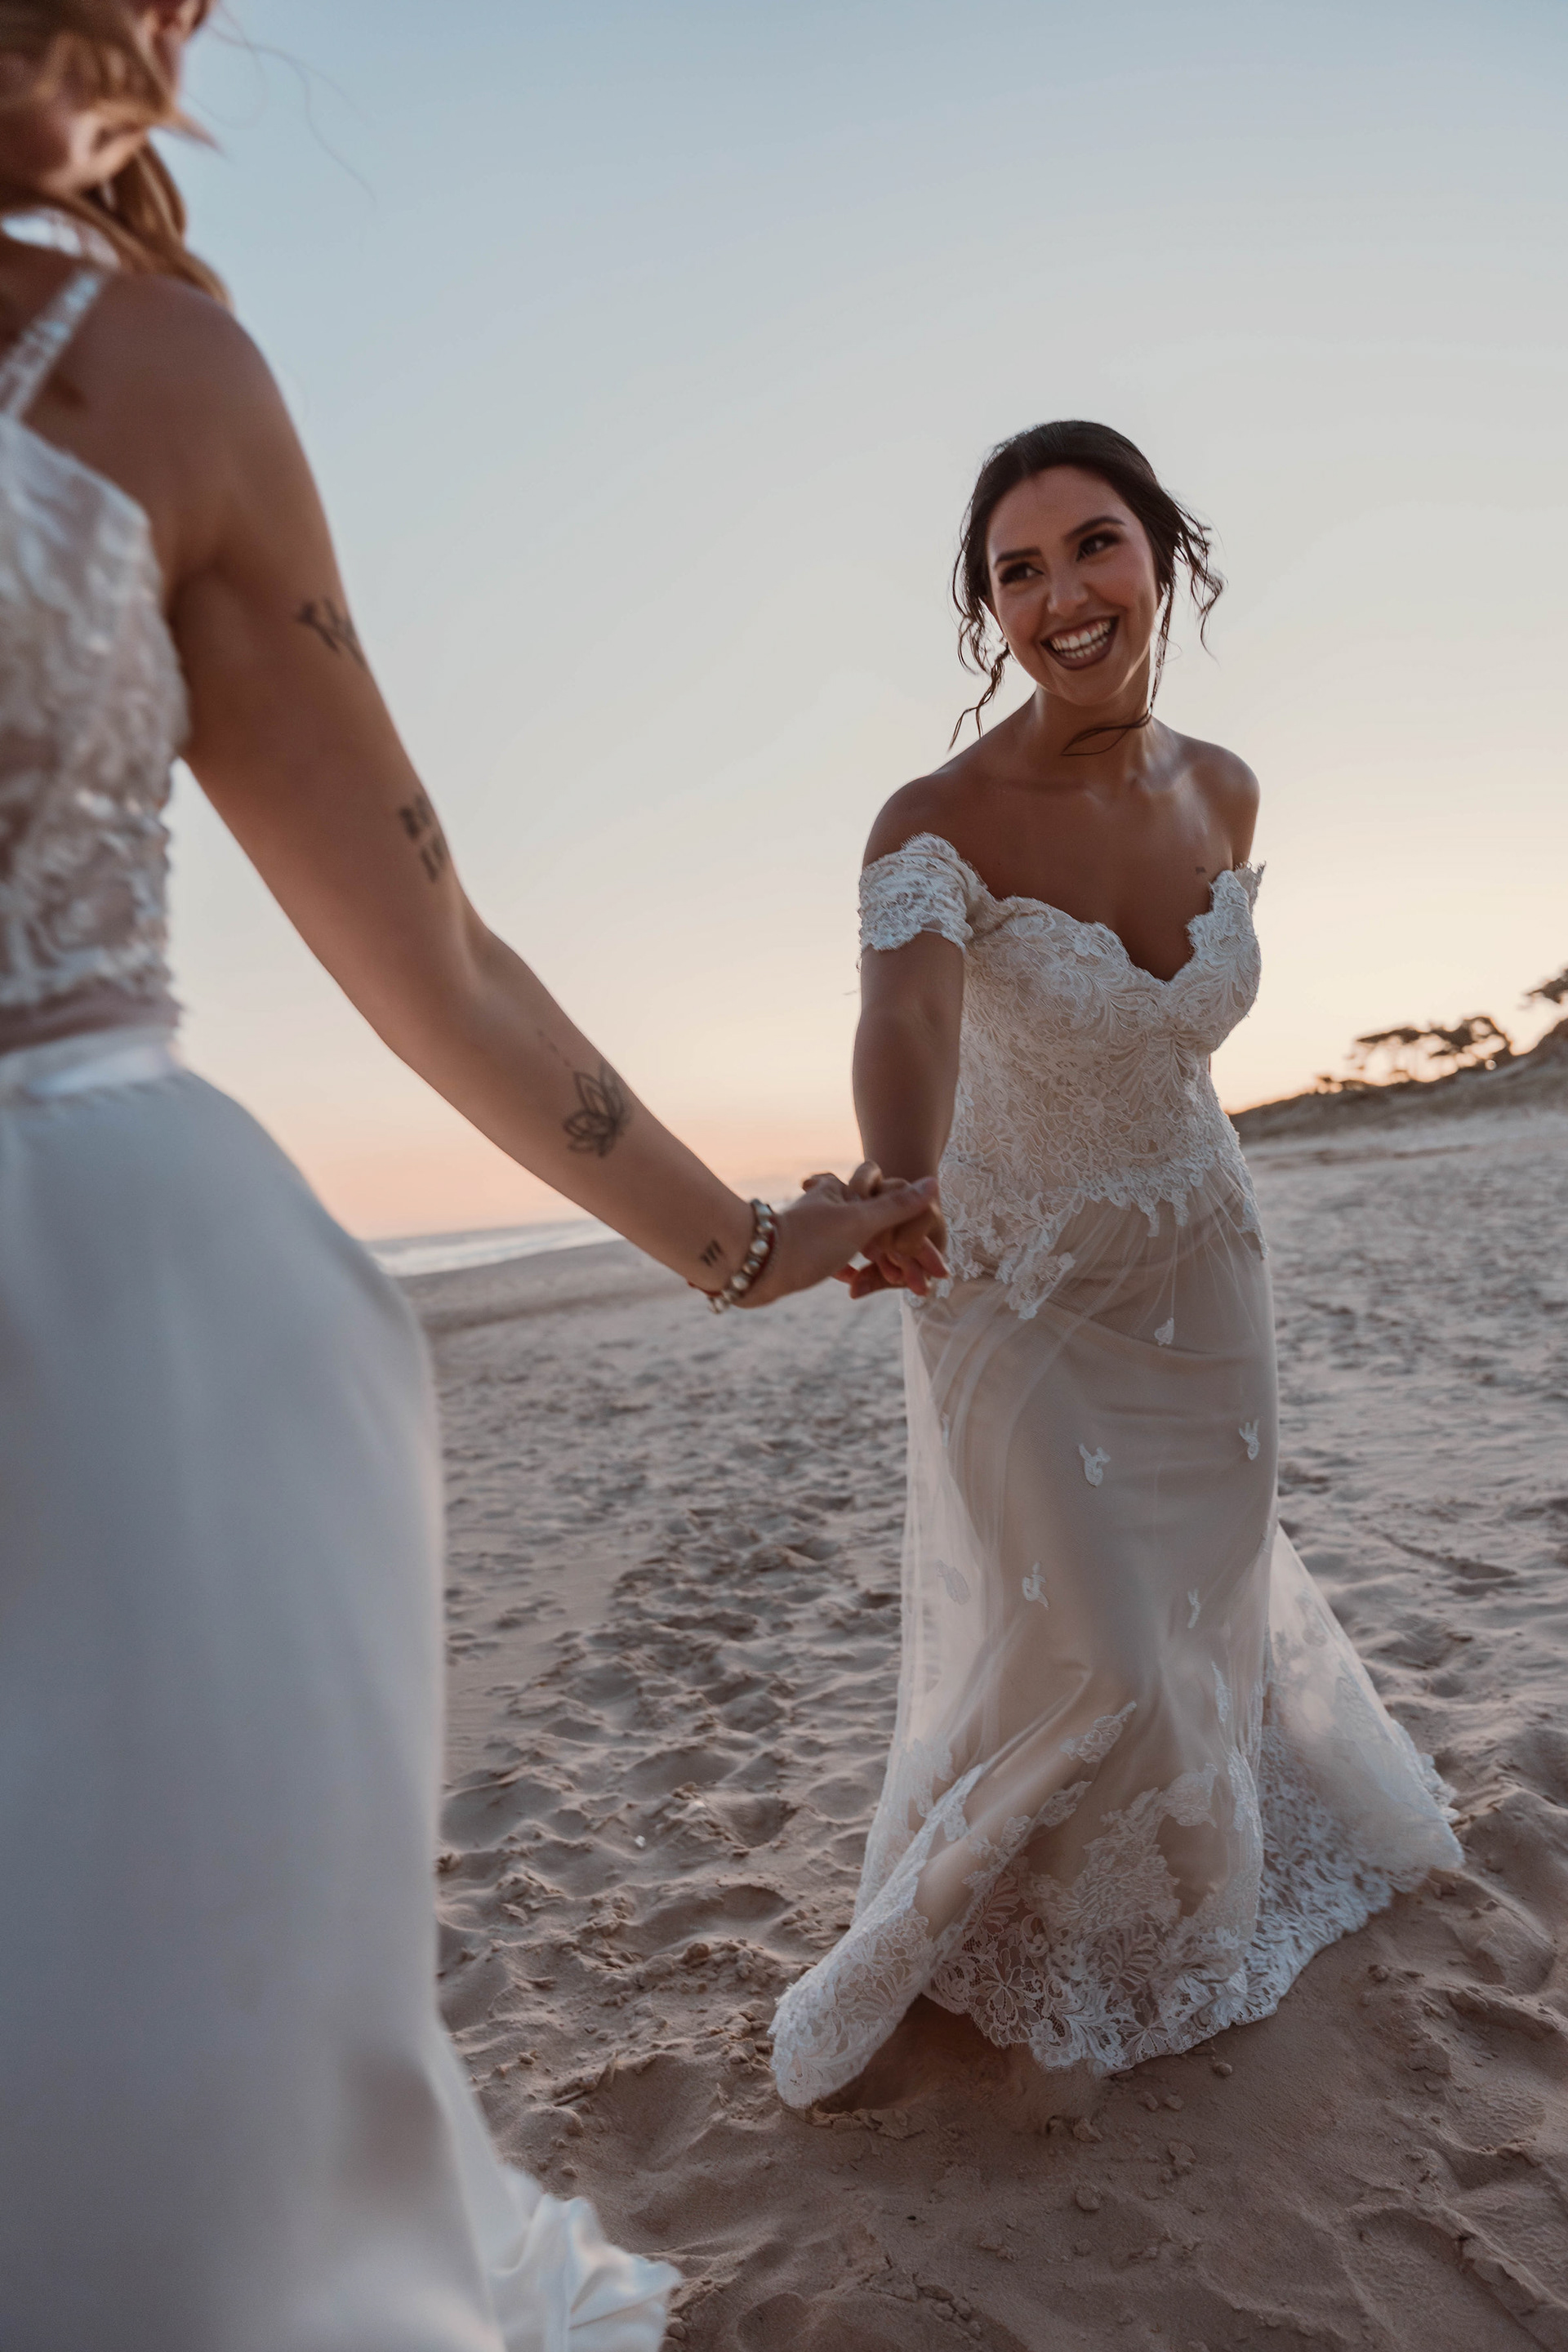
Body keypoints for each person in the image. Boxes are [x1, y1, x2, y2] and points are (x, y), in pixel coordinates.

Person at [0, 8, 945, 2346]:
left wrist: (739, 1241)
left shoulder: (155, 373)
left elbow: (425, 946)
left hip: (127, 1369)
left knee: (167, 2197)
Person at [769, 421, 1461, 2112]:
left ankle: (1186, 1902)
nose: (1063, 594)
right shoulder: (937, 817)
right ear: (988, 612)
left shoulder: (1224, 788)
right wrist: (900, 1178)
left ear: (1166, 556)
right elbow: (906, 1012)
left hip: (1202, 1262)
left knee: (1197, 1624)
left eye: (1094, 546)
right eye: (1018, 570)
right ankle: (984, 1928)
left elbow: (1181, 1042)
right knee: (1092, 1649)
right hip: (1011, 1282)